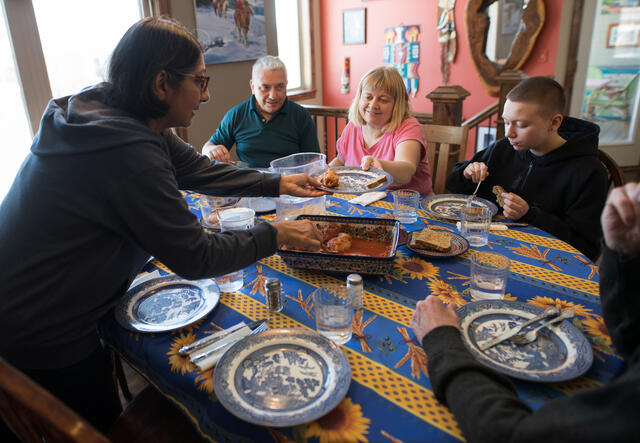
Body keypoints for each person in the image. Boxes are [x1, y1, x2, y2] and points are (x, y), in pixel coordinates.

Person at [0, 17, 325, 437]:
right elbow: (197, 255)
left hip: (21, 301)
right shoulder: (126, 150)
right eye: (200, 81)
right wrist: (276, 234)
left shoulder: (115, 110)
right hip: (43, 327)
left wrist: (275, 182)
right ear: (160, 84)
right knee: (94, 426)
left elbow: (195, 168)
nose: (207, 95)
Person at [410, 182, 640, 442]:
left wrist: (441, 340)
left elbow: (507, 432)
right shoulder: (500, 151)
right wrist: (624, 254)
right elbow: (630, 341)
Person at [446, 76, 608, 260]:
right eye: (506, 122)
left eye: (521, 124)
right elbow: (453, 186)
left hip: (545, 262)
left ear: (554, 123)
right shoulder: (502, 148)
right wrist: (467, 173)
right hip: (485, 249)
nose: (509, 133)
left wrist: (530, 215)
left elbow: (585, 247)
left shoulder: (589, 172)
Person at [329, 65, 434, 196]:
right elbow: (341, 161)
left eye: (383, 100)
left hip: (407, 207)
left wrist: (381, 165)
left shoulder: (409, 127)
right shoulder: (353, 126)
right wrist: (323, 173)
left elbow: (406, 172)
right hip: (362, 203)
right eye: (368, 97)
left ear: (397, 104)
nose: (373, 105)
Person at [202, 55, 320, 168]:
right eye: (265, 87)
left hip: (290, 184)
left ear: (286, 85)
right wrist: (210, 150)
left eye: (280, 87)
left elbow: (314, 161)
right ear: (253, 86)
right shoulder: (236, 115)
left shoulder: (301, 116)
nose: (273, 96)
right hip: (249, 184)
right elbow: (208, 147)